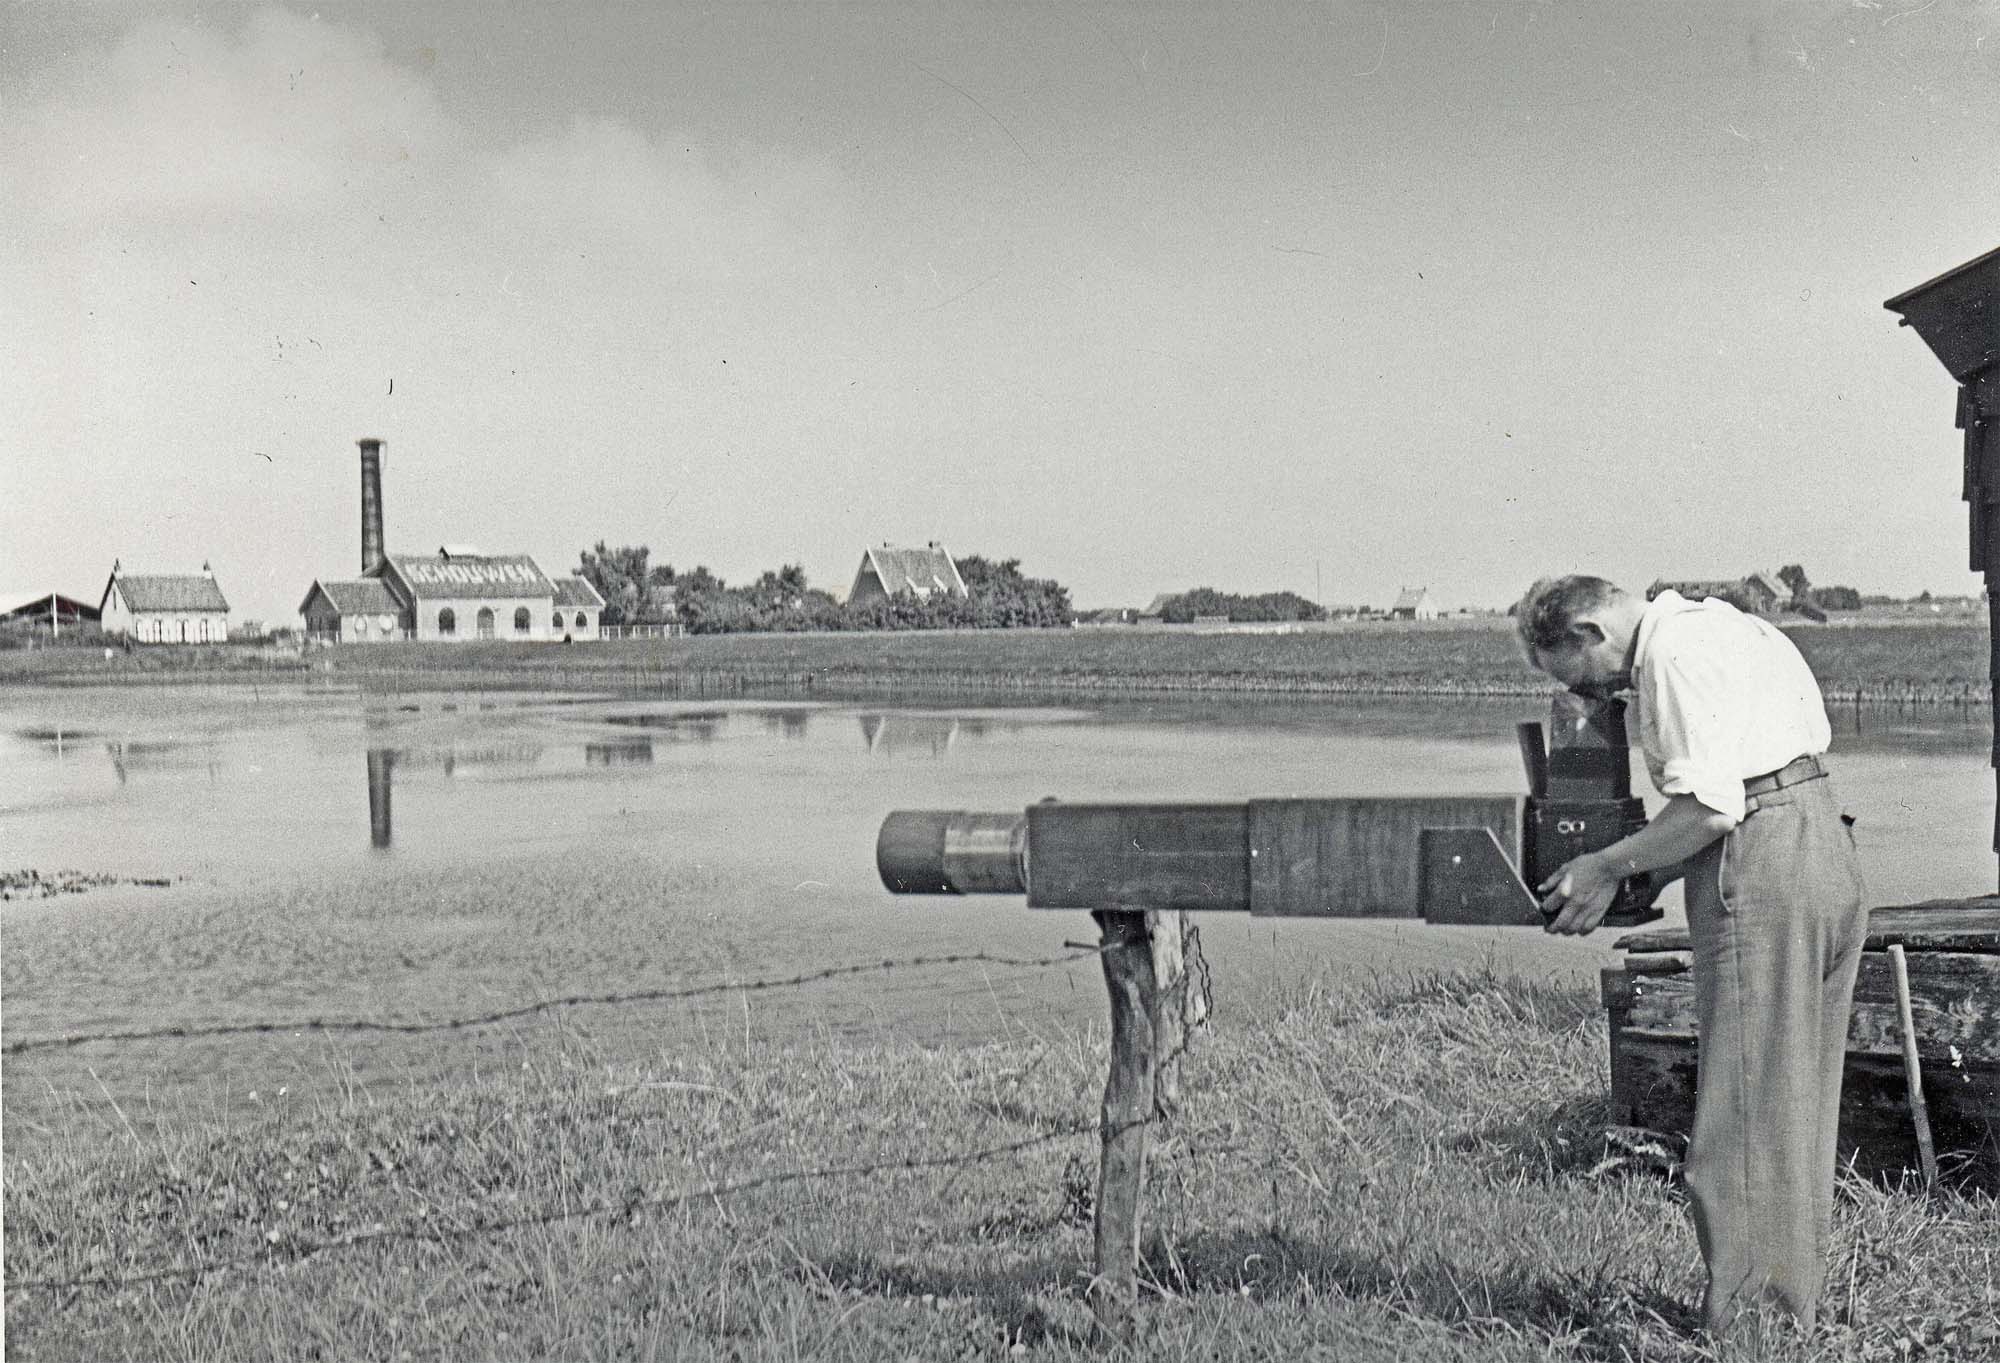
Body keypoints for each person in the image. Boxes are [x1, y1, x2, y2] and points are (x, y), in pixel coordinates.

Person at [1513, 575, 1867, 1342]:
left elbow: (1712, 808)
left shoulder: (1668, 655)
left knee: (1742, 1111)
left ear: (1586, 629)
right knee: (1794, 1100)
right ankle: (1789, 1315)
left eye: (1581, 676)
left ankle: (1750, 1334)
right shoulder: (1728, 627)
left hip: (1764, 862)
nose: (1600, 695)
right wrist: (1650, 869)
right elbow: (1743, 788)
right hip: (1821, 840)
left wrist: (1606, 866)